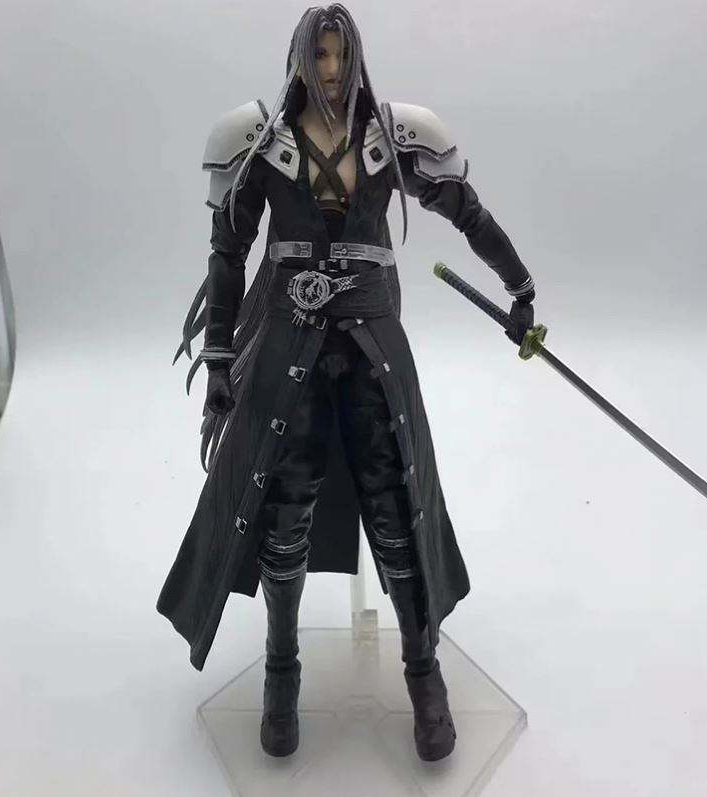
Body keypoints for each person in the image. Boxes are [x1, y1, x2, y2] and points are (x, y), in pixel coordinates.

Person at [157, 3, 536, 763]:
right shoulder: (258, 140)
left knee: (397, 506)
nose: (330, 71)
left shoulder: (393, 136)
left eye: (339, 55)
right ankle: (281, 669)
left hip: (372, 348)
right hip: (287, 348)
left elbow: (465, 210)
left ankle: (423, 672)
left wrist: (519, 285)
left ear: (354, 55)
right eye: (319, 56)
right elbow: (228, 254)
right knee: (282, 513)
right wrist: (222, 359)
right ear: (300, 59)